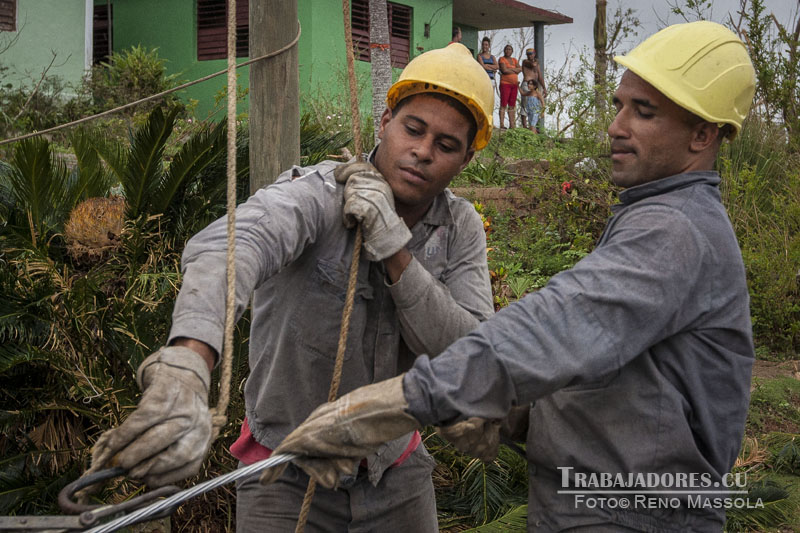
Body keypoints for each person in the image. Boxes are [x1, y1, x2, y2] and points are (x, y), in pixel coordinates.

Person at [268, 21, 757, 532]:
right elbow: (620, 387)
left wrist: (391, 406)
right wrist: (518, 416)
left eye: (644, 112)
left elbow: (556, 328)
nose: (616, 126)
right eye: (620, 106)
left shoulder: (674, 231)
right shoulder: (657, 219)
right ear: (387, 121)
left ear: (702, 135)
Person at [86, 43, 496, 532]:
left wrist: (395, 250)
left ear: (466, 159)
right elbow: (232, 246)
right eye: (413, 129)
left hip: (396, 475)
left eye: (446, 145)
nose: (423, 151)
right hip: (282, 474)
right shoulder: (317, 196)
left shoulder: (459, 227)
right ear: (386, 121)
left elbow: (473, 352)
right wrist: (188, 363)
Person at [498, 44, 521, 129]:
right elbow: (504, 70)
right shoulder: (502, 59)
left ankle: (512, 125)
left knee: (512, 105)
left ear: (512, 51)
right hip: (505, 84)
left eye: (509, 49)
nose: (508, 51)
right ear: (504, 50)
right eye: (506, 49)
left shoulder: (514, 60)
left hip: (514, 85)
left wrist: (509, 69)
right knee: (503, 104)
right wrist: (514, 70)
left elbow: (520, 69)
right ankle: (502, 124)